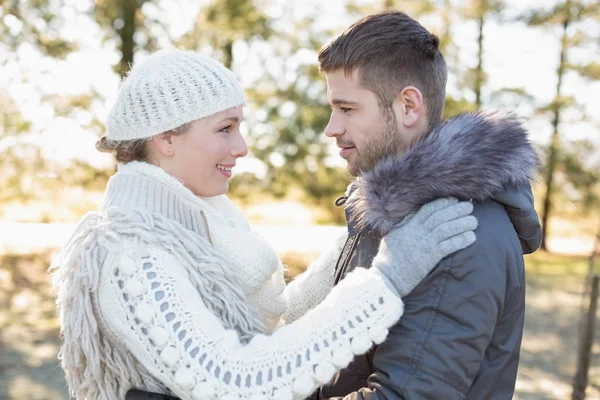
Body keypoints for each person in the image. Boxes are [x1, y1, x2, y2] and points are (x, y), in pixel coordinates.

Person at [50, 49, 478, 400]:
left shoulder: (202, 223)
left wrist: (354, 242)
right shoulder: (131, 254)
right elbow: (233, 379)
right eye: (225, 128)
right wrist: (388, 277)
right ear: (165, 138)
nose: (242, 146)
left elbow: (267, 325)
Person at [310, 10, 543, 399]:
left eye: (347, 109)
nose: (331, 128)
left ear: (408, 106)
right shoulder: (395, 214)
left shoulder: (459, 230)